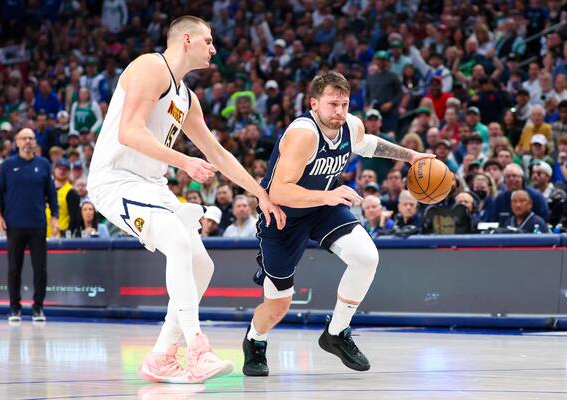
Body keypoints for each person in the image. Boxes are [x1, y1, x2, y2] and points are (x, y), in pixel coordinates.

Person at [86, 16, 285, 384]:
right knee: (177, 242)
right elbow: (129, 132)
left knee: (201, 266)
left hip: (151, 184)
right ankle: (197, 348)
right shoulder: (150, 66)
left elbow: (217, 153)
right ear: (187, 39)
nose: (214, 49)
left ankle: (162, 355)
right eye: (208, 41)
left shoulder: (187, 98)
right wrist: (184, 161)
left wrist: (261, 194)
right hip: (115, 180)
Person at [242, 71, 433, 377]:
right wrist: (328, 195)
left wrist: (410, 156)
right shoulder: (304, 134)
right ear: (314, 104)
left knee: (366, 256)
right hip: (283, 216)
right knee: (278, 305)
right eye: (333, 104)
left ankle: (336, 332)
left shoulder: (350, 125)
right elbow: (278, 191)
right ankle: (255, 339)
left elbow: (366, 143)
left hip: (322, 207)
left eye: (344, 104)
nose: (340, 112)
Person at [0, 128, 59, 323]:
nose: (28, 141)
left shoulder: (44, 164)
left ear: (35, 141)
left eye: (31, 138)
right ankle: (15, 308)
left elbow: (51, 194)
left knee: (40, 269)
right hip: (14, 224)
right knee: (14, 269)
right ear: (17, 141)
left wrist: (55, 217)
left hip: (38, 224)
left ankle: (38, 308)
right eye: (24, 138)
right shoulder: (8, 165)